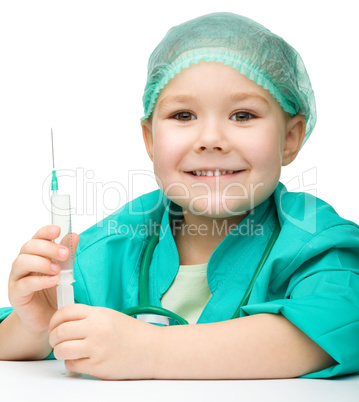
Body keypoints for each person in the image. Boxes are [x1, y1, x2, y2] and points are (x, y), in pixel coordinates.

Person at [0, 12, 358, 380]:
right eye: (184, 114)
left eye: (243, 114)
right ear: (150, 140)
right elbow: (5, 345)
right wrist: (36, 325)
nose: (211, 139)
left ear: (290, 137)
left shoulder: (315, 238)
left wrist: (150, 352)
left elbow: (337, 322)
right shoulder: (111, 248)